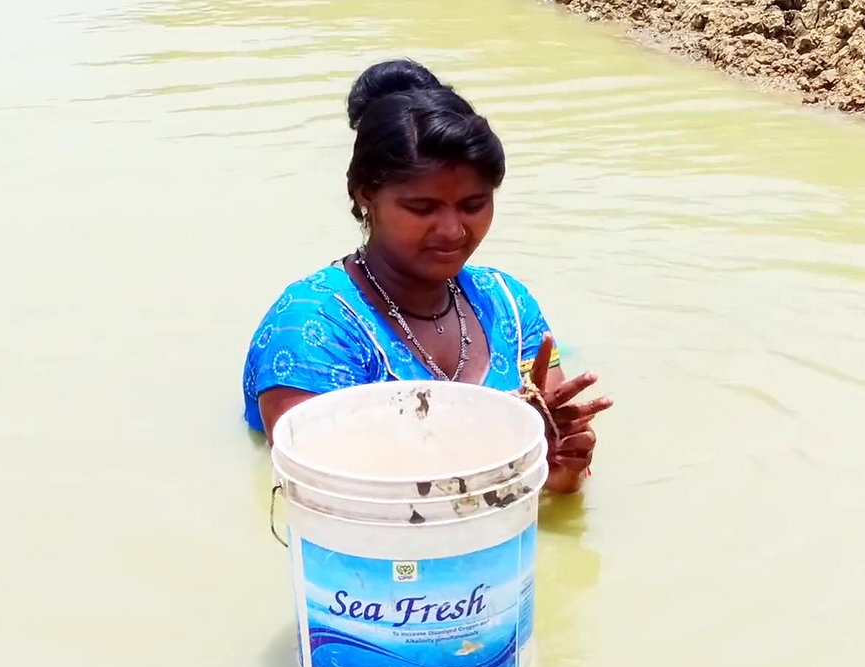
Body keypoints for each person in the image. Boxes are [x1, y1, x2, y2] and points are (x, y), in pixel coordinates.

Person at [240, 59, 612, 494]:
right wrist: (496, 446)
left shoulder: (507, 304)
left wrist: (559, 467)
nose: (454, 231)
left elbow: (557, 477)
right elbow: (319, 490)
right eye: (423, 209)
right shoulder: (313, 328)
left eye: (474, 205)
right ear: (365, 195)